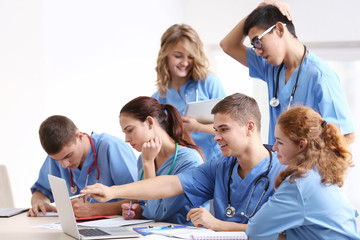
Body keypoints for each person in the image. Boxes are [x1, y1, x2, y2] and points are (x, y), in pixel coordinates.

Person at [82, 93, 286, 232]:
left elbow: (282, 234)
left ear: (250, 127)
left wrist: (217, 224)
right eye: (215, 130)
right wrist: (113, 192)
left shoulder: (284, 172)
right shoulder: (220, 166)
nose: (216, 137)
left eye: (224, 129)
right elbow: (170, 184)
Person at [220, 0, 355, 146]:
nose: (258, 52)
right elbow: (228, 45)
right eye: (254, 46)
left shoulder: (320, 75)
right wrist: (257, 12)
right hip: (277, 167)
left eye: (258, 41)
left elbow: (346, 136)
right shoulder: (270, 67)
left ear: (279, 29)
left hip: (306, 168)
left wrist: (307, 163)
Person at [246, 106, 360, 239]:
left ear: (301, 145)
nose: (275, 147)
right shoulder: (320, 172)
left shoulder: (299, 184)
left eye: (280, 142)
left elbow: (255, 230)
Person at [119, 96, 207, 225]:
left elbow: (157, 213)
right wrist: (139, 211)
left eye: (130, 130)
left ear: (149, 122)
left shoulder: (189, 160)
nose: (126, 139)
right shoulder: (144, 157)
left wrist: (148, 163)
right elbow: (146, 204)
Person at [28, 115, 137, 218]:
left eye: (68, 156)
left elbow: (138, 198)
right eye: (58, 160)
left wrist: (96, 210)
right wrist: (39, 202)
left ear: (80, 136)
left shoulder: (112, 147)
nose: (64, 165)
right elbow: (41, 191)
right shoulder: (58, 157)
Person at [152, 23, 227, 162]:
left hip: (215, 162)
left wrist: (197, 127)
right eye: (178, 56)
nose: (185, 62)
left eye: (190, 57)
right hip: (182, 165)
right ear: (165, 55)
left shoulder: (209, 83)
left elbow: (230, 125)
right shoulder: (159, 97)